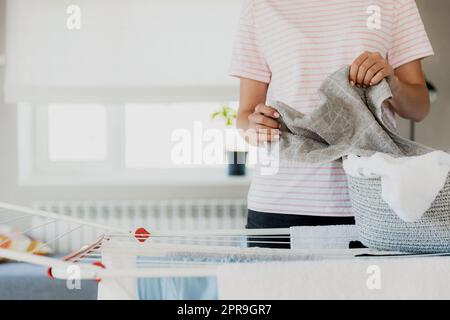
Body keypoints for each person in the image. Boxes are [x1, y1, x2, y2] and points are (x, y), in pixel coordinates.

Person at [230, 0, 434, 247]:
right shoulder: (259, 6)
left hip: (372, 201)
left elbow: (419, 107)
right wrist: (255, 127)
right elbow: (245, 116)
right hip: (279, 203)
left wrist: (393, 82)